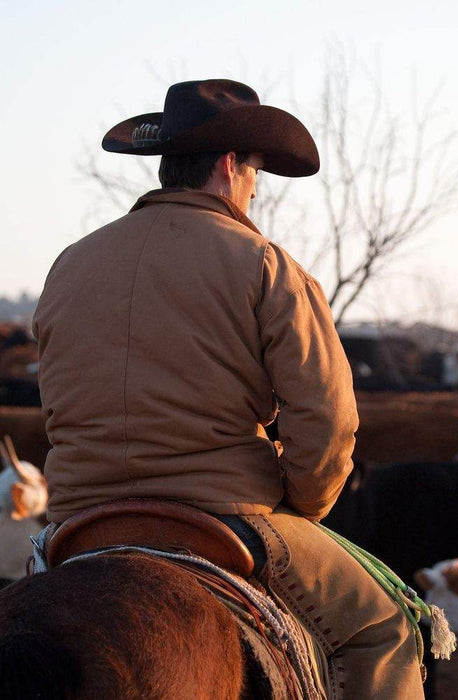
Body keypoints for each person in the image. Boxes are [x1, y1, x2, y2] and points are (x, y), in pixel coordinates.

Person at [32, 79, 425, 699]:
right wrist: (303, 510)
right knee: (388, 628)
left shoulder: (68, 266)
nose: (252, 192)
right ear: (227, 166)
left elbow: (56, 401)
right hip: (225, 516)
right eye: (255, 177)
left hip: (78, 520)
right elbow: (327, 421)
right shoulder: (265, 263)